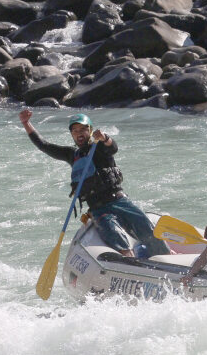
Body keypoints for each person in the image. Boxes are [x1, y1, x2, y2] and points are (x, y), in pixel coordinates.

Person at [19, 110, 169, 258]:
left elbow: (113, 147)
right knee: (116, 237)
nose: (79, 133)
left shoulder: (99, 147)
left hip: (120, 200)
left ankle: (168, 258)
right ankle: (131, 262)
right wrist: (26, 123)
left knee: (150, 232)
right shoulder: (72, 155)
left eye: (83, 129)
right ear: (72, 134)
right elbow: (44, 145)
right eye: (75, 130)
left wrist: (104, 137)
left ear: (90, 130)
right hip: (99, 209)